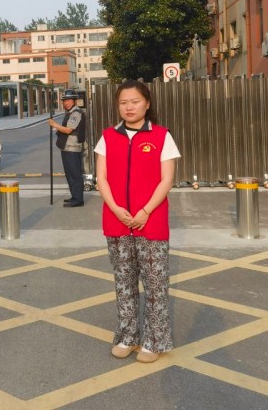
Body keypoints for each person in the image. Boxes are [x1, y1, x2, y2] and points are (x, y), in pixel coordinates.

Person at [94, 80, 180, 364]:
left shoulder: (162, 136)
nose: (129, 107)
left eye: (135, 101)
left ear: (147, 103)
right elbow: (101, 178)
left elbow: (167, 180)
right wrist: (116, 209)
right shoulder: (108, 137)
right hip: (117, 221)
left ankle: (154, 341)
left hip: (151, 222)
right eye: (123, 102)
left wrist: (145, 211)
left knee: (155, 285)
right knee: (124, 282)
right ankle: (127, 336)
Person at [48, 89, 85, 207]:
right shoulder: (70, 112)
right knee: (69, 174)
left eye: (69, 100)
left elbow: (68, 130)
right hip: (66, 147)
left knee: (75, 174)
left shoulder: (76, 113)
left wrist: (54, 125)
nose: (66, 103)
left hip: (72, 148)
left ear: (74, 101)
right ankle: (74, 196)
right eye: (65, 101)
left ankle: (78, 200)